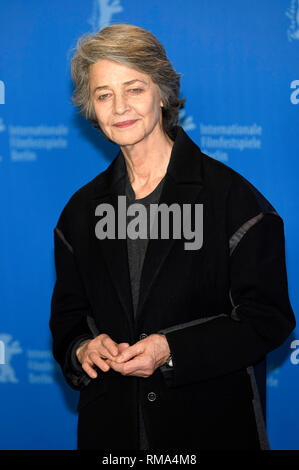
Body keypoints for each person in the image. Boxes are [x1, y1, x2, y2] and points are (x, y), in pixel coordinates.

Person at [50, 23, 296, 450]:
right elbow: (68, 320)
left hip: (209, 429)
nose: (120, 107)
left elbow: (268, 318)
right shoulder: (79, 212)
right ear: (91, 107)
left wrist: (170, 349)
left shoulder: (233, 200)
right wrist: (83, 348)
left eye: (134, 89)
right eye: (104, 94)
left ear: (161, 93)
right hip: (112, 435)